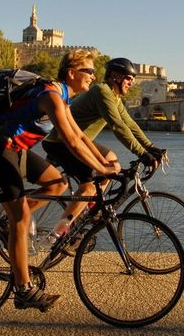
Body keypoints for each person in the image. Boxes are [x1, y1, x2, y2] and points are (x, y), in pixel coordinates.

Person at [0, 49, 115, 311]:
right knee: (21, 219)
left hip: (16, 150)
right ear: (72, 73)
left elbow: (82, 137)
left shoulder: (63, 98)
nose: (93, 77)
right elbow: (70, 142)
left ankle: (7, 219)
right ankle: (23, 290)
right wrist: (100, 169)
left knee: (58, 184)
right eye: (89, 71)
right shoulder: (50, 96)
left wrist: (104, 163)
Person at [43, 57, 167, 227]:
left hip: (79, 141)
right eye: (129, 79)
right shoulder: (102, 92)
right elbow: (117, 127)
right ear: (116, 77)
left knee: (111, 158)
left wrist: (151, 147)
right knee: (88, 188)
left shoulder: (114, 97)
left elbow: (129, 124)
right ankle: (59, 233)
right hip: (60, 142)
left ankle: (89, 207)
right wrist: (142, 154)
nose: (131, 84)